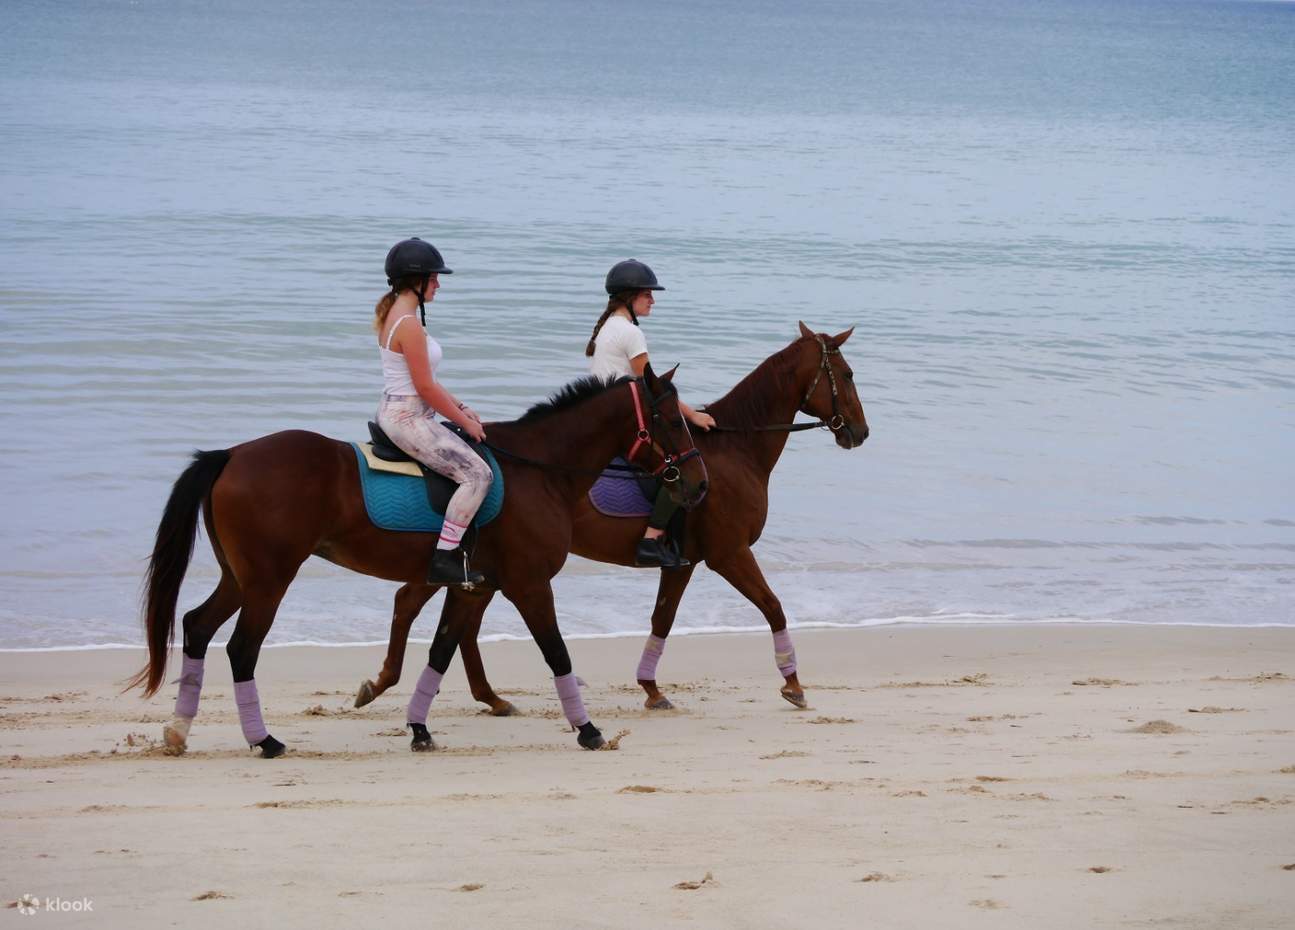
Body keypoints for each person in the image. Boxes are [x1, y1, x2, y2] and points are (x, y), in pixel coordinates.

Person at [374, 238, 492, 587]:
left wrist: (459, 406)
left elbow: (428, 382)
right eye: (434, 278)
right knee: (478, 476)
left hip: (405, 409)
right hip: (408, 418)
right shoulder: (407, 324)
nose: (438, 284)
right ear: (415, 280)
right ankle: (444, 557)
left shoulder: (399, 316)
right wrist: (464, 423)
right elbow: (424, 388)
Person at [586, 259, 714, 569]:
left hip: (606, 417)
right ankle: (651, 539)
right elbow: (652, 387)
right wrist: (692, 415)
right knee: (677, 467)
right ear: (630, 297)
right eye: (647, 295)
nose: (652, 300)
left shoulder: (608, 328)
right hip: (623, 422)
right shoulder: (630, 333)